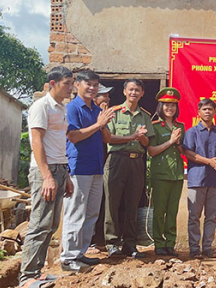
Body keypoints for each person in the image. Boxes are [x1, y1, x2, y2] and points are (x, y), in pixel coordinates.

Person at [19, 66, 75, 287]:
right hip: (46, 170)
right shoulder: (41, 107)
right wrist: (47, 177)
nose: (71, 87)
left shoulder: (61, 108)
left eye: (72, 83)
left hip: (59, 168)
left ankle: (38, 272)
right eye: (67, 83)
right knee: (40, 224)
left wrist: (66, 175)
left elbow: (59, 144)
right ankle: (27, 278)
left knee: (51, 225)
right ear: (53, 84)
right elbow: (36, 142)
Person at [61, 70, 114, 272]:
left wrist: (103, 124)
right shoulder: (72, 108)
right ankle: (68, 258)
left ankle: (80, 253)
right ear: (77, 85)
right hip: (79, 167)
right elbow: (73, 136)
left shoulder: (95, 109)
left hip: (96, 166)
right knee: (75, 212)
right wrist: (98, 124)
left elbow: (105, 138)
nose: (92, 88)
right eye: (88, 84)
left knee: (91, 212)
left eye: (95, 85)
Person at [103, 78, 155, 259]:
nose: (134, 93)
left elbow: (148, 142)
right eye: (131, 89)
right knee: (113, 203)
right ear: (125, 91)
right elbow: (109, 138)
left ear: (142, 94)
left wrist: (142, 139)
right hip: (117, 160)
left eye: (137, 90)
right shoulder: (114, 113)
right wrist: (133, 136)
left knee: (133, 204)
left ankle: (130, 244)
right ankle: (111, 243)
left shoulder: (145, 117)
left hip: (136, 162)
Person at [183, 98, 216, 259]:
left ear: (215, 112)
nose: (208, 112)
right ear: (199, 113)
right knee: (194, 216)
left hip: (215, 180)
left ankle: (207, 247)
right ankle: (194, 248)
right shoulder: (191, 132)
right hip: (197, 179)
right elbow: (189, 153)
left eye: (210, 109)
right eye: (204, 109)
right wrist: (209, 161)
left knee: (211, 216)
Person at [148, 87, 186, 257]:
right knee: (159, 211)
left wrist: (177, 142)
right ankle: (159, 243)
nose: (170, 108)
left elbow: (183, 151)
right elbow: (151, 151)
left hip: (176, 174)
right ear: (160, 107)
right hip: (160, 174)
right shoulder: (155, 126)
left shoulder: (181, 126)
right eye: (166, 105)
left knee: (172, 212)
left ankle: (170, 243)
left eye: (173, 106)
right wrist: (170, 141)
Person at [90, 83, 114, 248]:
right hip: (87, 165)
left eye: (107, 97)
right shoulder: (89, 114)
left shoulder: (110, 116)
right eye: (103, 96)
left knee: (103, 202)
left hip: (104, 164)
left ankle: (100, 238)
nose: (107, 99)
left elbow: (109, 138)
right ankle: (87, 241)